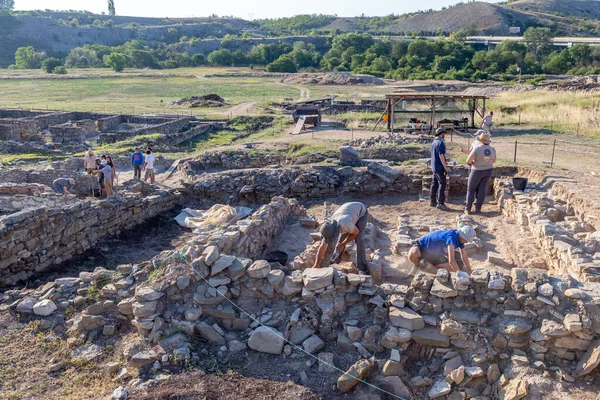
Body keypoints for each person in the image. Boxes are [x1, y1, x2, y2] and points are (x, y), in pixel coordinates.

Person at [312, 202, 369, 274]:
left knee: (358, 239)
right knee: (341, 240)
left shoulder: (345, 224)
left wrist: (344, 243)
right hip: (348, 213)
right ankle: (336, 261)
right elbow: (323, 246)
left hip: (361, 212)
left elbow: (356, 232)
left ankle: (362, 267)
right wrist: (316, 264)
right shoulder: (329, 226)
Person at [408, 225, 476, 274]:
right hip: (422, 247)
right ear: (462, 236)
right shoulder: (451, 237)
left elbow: (464, 257)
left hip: (436, 254)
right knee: (413, 254)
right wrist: (460, 275)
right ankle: (417, 266)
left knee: (450, 269)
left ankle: (427, 265)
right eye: (466, 239)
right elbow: (451, 260)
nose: (467, 242)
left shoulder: (460, 240)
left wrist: (470, 272)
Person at [465, 133, 497, 215]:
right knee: (482, 189)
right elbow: (494, 160)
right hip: (488, 170)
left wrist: (473, 162)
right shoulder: (492, 149)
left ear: (480, 141)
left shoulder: (477, 149)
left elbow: (468, 160)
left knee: (471, 189)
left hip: (477, 170)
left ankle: (468, 209)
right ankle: (478, 208)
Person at [430, 127, 452, 211]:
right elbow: (441, 155)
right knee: (442, 184)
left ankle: (432, 201)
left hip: (434, 166)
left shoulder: (434, 142)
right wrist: (445, 167)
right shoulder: (440, 143)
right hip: (439, 167)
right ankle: (440, 203)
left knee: (434, 183)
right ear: (442, 134)